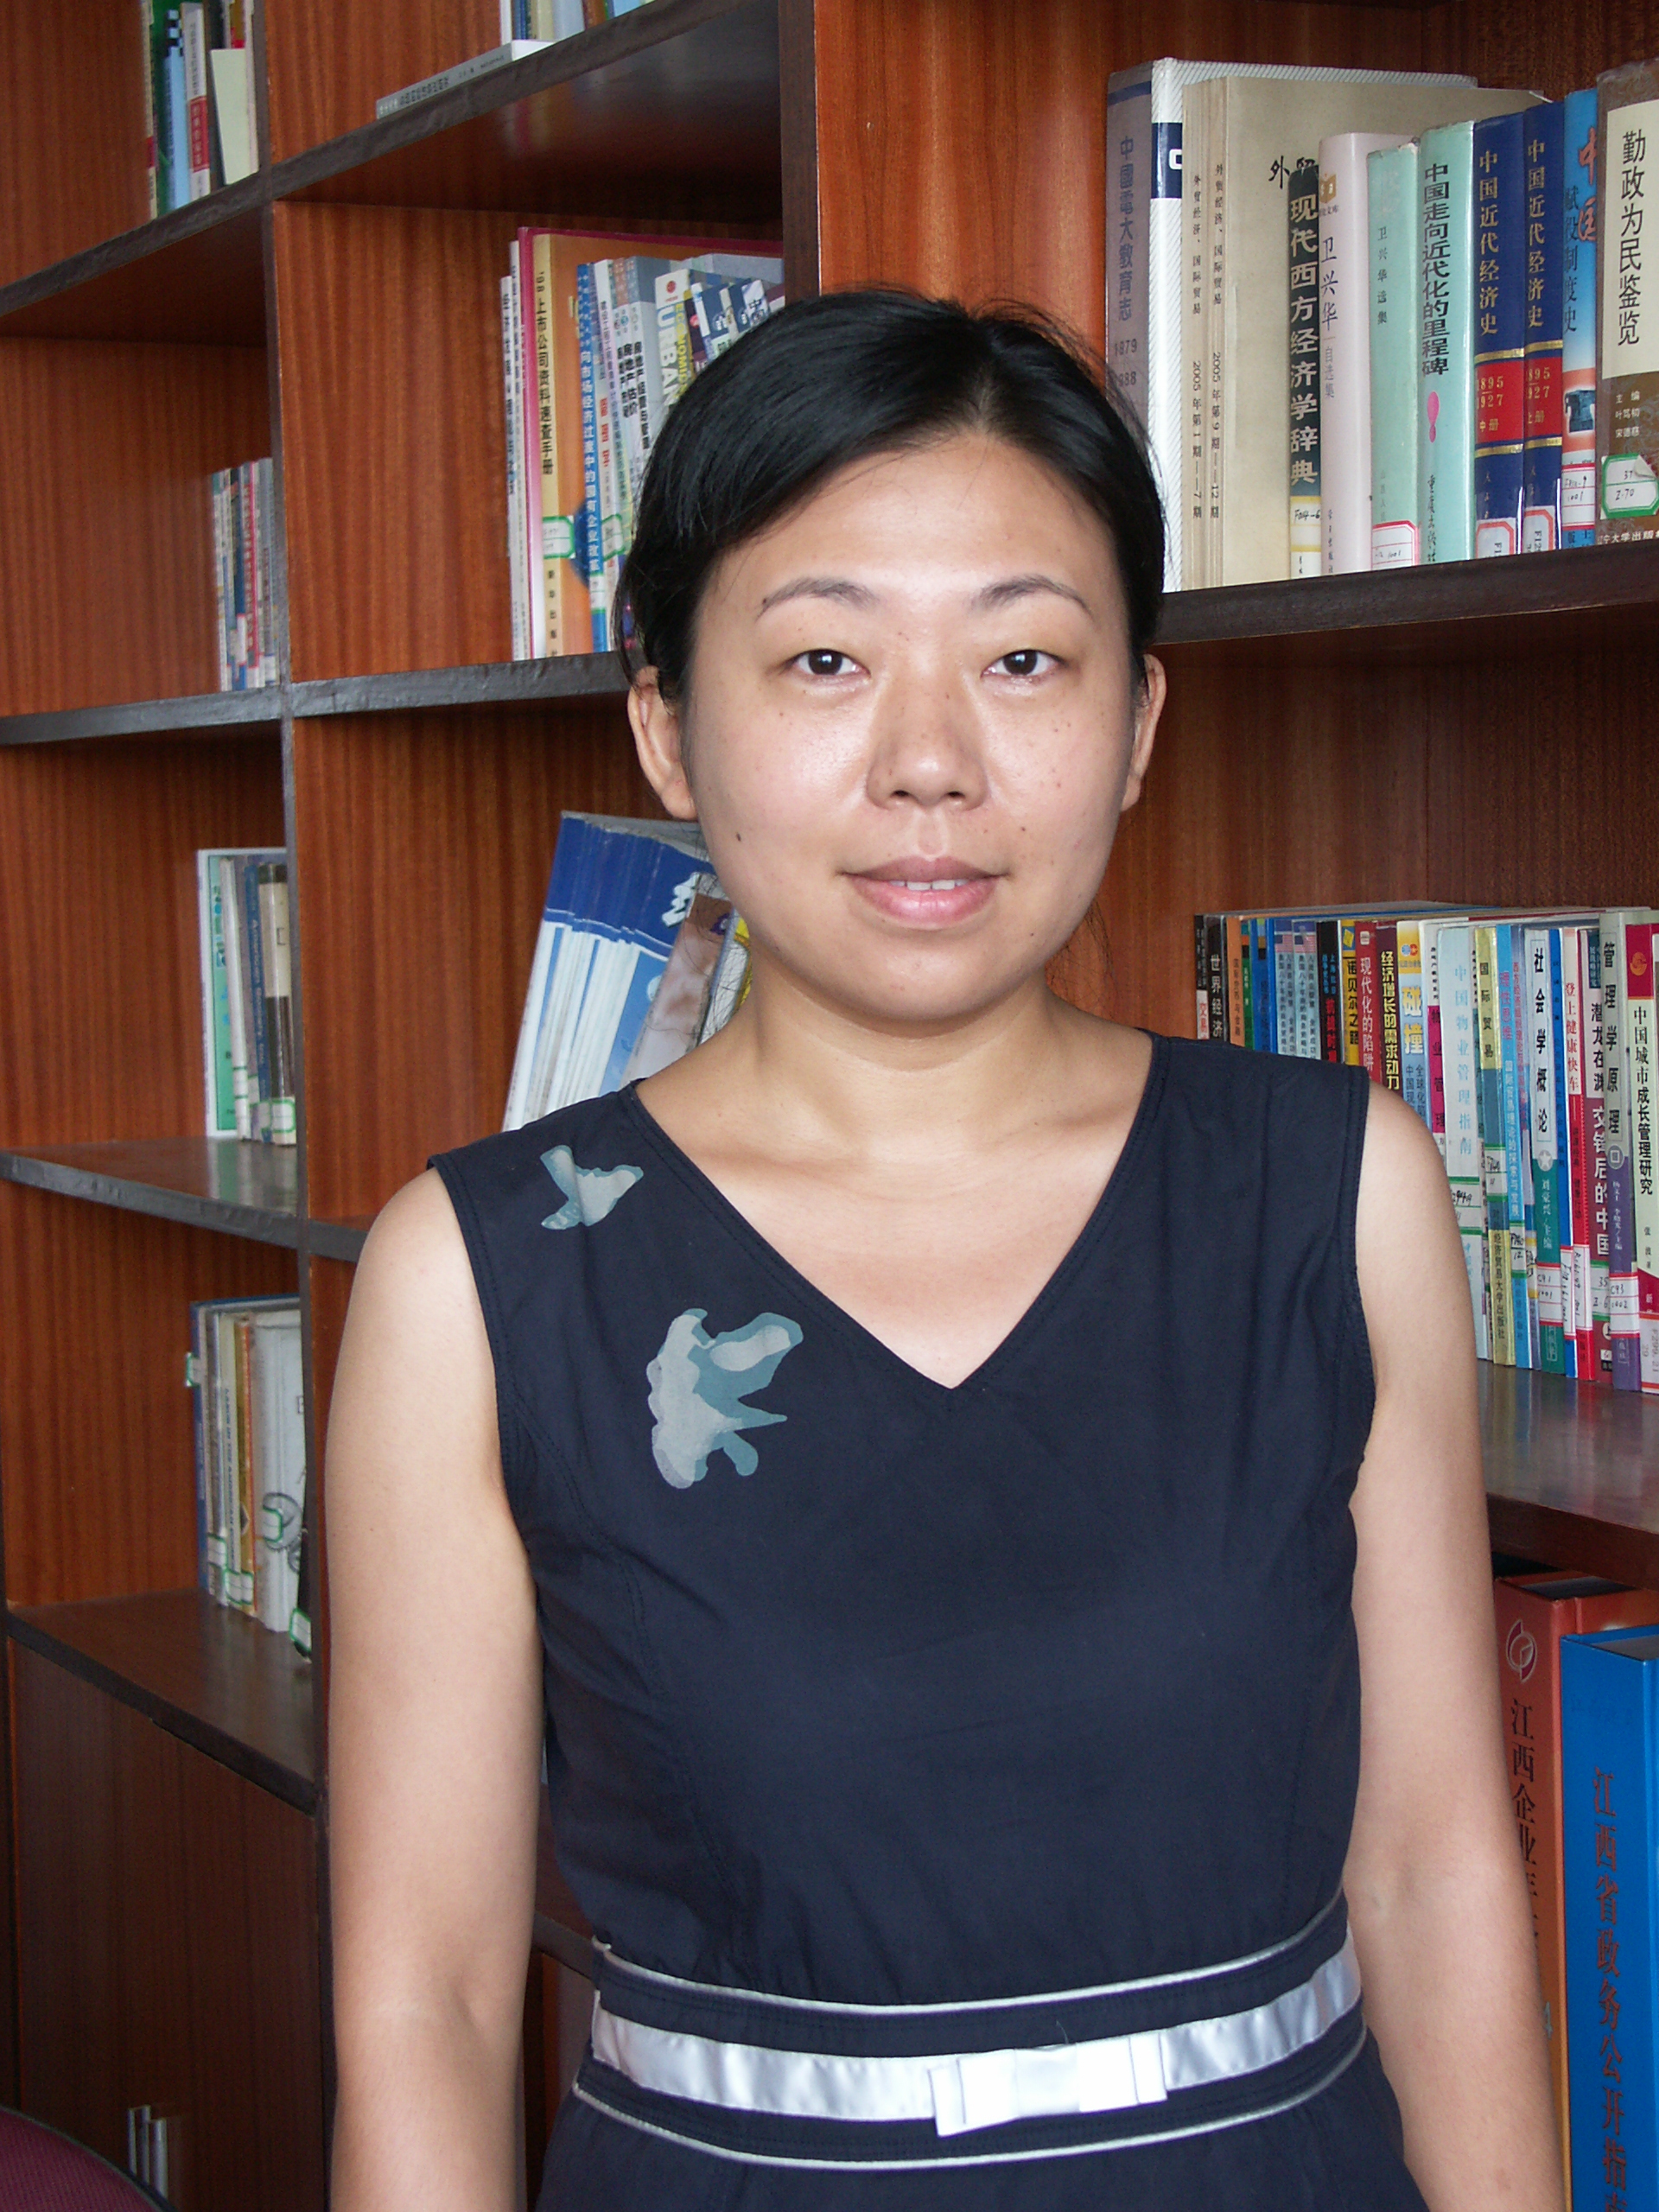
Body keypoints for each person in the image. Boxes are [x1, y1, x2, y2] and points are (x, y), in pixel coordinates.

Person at [325, 291, 1561, 2211]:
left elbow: (1430, 1872)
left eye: (1024, 659)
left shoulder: (1328, 1192)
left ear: (1138, 724)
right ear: (665, 725)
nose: (930, 761)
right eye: (825, 658)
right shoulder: (481, 1278)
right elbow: (431, 1997)